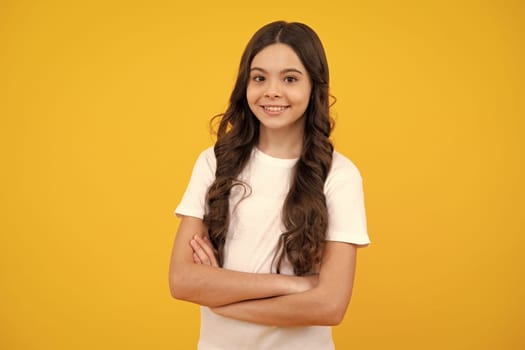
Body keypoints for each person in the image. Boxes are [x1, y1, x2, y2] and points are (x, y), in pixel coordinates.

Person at [169, 20, 370, 350]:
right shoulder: (214, 162)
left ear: (313, 87)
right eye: (259, 77)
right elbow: (181, 281)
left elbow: (330, 305)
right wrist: (294, 286)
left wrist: (222, 296)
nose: (272, 91)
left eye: (290, 78)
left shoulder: (340, 175)